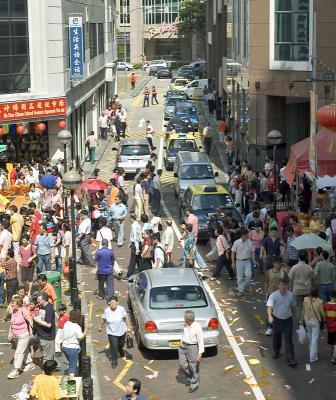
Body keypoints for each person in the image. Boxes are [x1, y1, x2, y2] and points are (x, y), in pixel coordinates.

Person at [267, 278, 297, 367]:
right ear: (278, 285)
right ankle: (276, 351)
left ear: (287, 286)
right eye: (281, 285)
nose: (283, 287)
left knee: (288, 339)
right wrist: (269, 316)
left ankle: (291, 358)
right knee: (277, 337)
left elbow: (293, 307)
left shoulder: (291, 295)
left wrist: (294, 317)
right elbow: (269, 307)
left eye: (285, 285)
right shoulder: (273, 295)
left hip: (288, 320)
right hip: (277, 319)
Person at [99, 296, 132, 369]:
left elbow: (126, 318)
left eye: (114, 302)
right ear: (109, 303)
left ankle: (120, 350)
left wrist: (128, 327)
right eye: (111, 302)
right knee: (113, 346)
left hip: (121, 331)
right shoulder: (107, 311)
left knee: (121, 344)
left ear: (117, 303)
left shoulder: (121, 309)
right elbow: (104, 320)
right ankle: (114, 361)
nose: (113, 304)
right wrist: (101, 327)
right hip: (112, 332)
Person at [7, 298, 35, 379]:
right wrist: (10, 333)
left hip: (23, 335)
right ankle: (30, 364)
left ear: (18, 304)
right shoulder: (14, 311)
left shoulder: (24, 310)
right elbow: (12, 323)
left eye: (13, 303)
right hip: (16, 335)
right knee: (24, 350)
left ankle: (16, 370)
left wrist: (31, 332)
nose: (12, 304)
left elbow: (30, 321)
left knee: (18, 353)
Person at [178, 310, 204, 393]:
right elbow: (184, 334)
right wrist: (181, 342)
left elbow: (200, 341)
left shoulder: (197, 327)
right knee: (182, 364)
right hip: (182, 346)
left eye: (184, 317)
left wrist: (200, 353)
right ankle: (192, 377)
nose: (183, 318)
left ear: (188, 319)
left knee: (194, 366)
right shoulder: (186, 324)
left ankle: (194, 383)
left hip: (192, 347)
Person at [300, 287, 326, 362]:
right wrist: (325, 319)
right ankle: (313, 356)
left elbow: (303, 310)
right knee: (314, 338)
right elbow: (322, 313)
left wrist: (301, 320)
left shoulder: (305, 300)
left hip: (307, 319)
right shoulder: (319, 302)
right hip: (315, 321)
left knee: (310, 335)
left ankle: (311, 349)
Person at [288, 249, 314, 321]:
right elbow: (312, 278)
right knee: (307, 305)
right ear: (306, 257)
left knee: (298, 306)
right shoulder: (309, 268)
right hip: (307, 289)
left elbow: (290, 279)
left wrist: (290, 289)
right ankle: (306, 318)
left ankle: (300, 320)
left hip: (297, 289)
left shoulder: (294, 267)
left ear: (298, 257)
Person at [62, 309, 89, 375]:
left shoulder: (66, 324)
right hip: (72, 348)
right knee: (72, 367)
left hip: (64, 346)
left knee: (71, 363)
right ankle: (71, 381)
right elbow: (80, 337)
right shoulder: (77, 327)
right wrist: (86, 329)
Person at [231, 228, 256, 296]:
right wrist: (233, 262)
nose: (248, 235)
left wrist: (253, 260)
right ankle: (241, 290)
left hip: (248, 261)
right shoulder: (236, 243)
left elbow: (252, 251)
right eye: (247, 234)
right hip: (239, 261)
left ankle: (243, 286)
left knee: (249, 275)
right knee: (240, 277)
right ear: (243, 235)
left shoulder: (249, 241)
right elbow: (233, 252)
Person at [33, 292, 56, 364]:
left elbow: (49, 325)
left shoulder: (49, 309)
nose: (37, 301)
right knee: (47, 353)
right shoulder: (41, 306)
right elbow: (42, 317)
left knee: (47, 356)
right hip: (41, 335)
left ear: (44, 300)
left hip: (47, 337)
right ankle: (54, 365)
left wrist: (37, 320)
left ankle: (46, 371)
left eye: (39, 299)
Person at [324, 289, 336, 364]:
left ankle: (333, 354)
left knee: (331, 342)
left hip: (329, 326)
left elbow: (324, 316)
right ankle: (334, 356)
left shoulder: (325, 305)